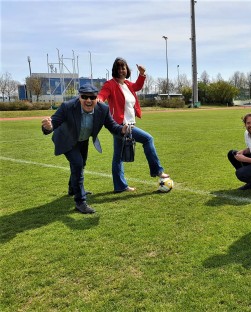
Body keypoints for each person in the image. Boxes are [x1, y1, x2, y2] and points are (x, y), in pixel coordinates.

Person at [41, 84, 128, 214]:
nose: (88, 100)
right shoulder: (67, 107)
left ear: (96, 98)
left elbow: (112, 126)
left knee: (81, 165)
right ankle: (80, 201)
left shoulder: (103, 109)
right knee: (77, 164)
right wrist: (48, 127)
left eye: (92, 97)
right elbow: (53, 123)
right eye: (84, 97)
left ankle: (73, 188)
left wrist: (122, 129)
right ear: (79, 97)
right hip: (66, 139)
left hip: (83, 140)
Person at [98, 57, 169, 193]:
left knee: (118, 156)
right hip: (121, 125)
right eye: (118, 68)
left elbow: (138, 86)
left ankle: (120, 186)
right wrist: (99, 99)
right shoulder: (110, 84)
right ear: (115, 70)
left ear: (127, 70)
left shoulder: (128, 85)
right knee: (148, 139)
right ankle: (158, 171)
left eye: (123, 68)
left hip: (127, 124)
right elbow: (102, 95)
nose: (121, 70)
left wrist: (142, 74)